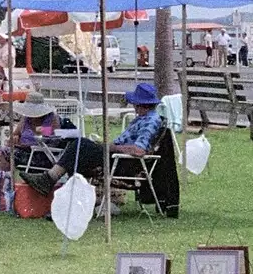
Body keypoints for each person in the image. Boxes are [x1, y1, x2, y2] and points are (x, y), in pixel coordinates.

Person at [22, 81, 164, 195]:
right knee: (79, 149)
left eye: (134, 103)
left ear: (140, 104)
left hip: (122, 162)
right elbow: (24, 132)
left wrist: (110, 147)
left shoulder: (150, 121)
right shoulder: (142, 119)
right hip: (116, 156)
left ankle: (51, 180)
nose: (133, 105)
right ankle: (67, 195)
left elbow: (139, 150)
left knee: (81, 145)